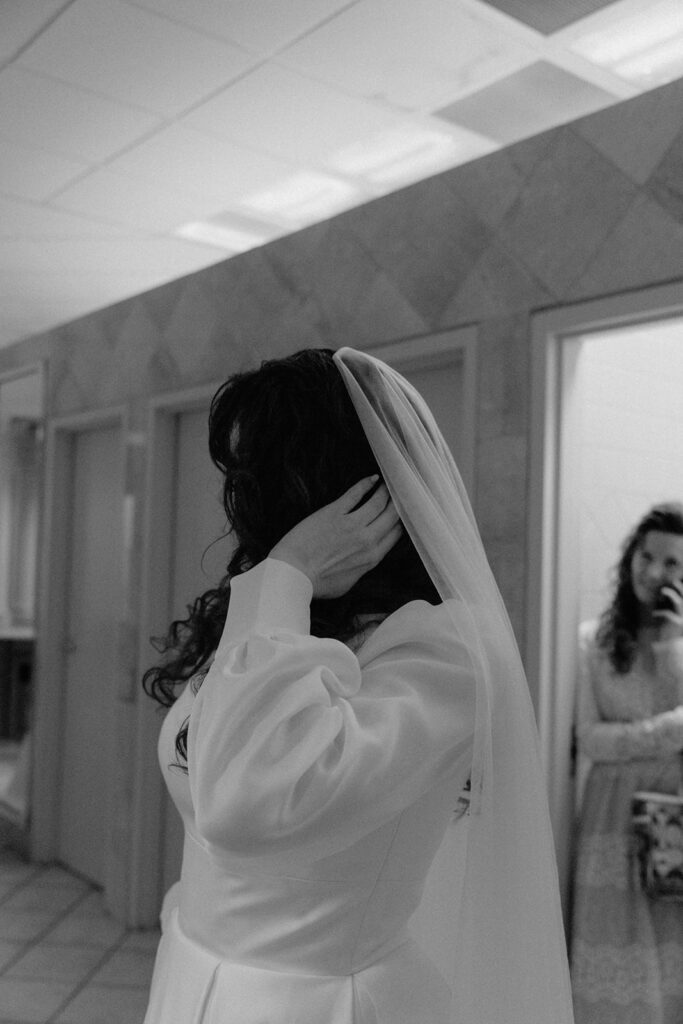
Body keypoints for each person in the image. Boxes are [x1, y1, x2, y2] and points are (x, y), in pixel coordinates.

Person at [142, 347, 574, 1024]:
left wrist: (288, 569)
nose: (245, 505)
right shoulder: (278, 613)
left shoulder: (444, 650)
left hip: (318, 1005)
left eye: (261, 473)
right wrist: (287, 584)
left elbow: (245, 808)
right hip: (191, 971)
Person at [571, 503, 683, 1024]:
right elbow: (590, 739)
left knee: (669, 947)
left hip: (674, 814)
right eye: (647, 554)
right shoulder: (593, 638)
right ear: (631, 557)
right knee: (611, 940)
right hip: (608, 817)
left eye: (674, 563)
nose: (656, 571)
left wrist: (674, 646)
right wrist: (664, 733)